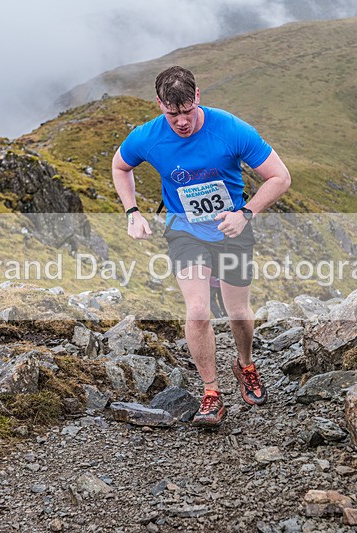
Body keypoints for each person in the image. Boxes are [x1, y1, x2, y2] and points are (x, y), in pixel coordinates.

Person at [112, 66, 291, 427]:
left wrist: (245, 213)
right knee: (197, 311)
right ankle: (212, 394)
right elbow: (120, 166)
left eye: (187, 112)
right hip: (185, 230)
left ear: (198, 96)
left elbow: (280, 177)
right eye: (172, 114)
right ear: (159, 104)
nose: (181, 122)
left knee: (237, 311)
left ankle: (245, 364)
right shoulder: (147, 137)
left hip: (232, 230)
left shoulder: (231, 129)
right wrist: (133, 212)